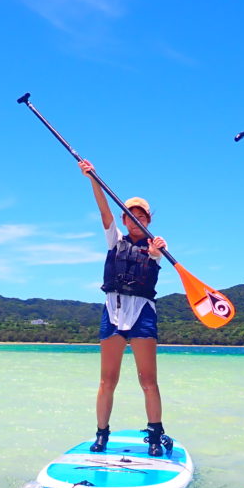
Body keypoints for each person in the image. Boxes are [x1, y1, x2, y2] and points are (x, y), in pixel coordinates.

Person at [78, 159, 171, 457]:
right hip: (113, 313)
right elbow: (103, 211)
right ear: (125, 219)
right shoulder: (114, 240)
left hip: (142, 314)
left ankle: (155, 434)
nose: (134, 219)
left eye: (140, 215)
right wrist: (93, 177)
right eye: (130, 215)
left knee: (148, 380)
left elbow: (156, 257)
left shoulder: (157, 248)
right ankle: (102, 434)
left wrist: (158, 252)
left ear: (148, 220)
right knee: (107, 380)